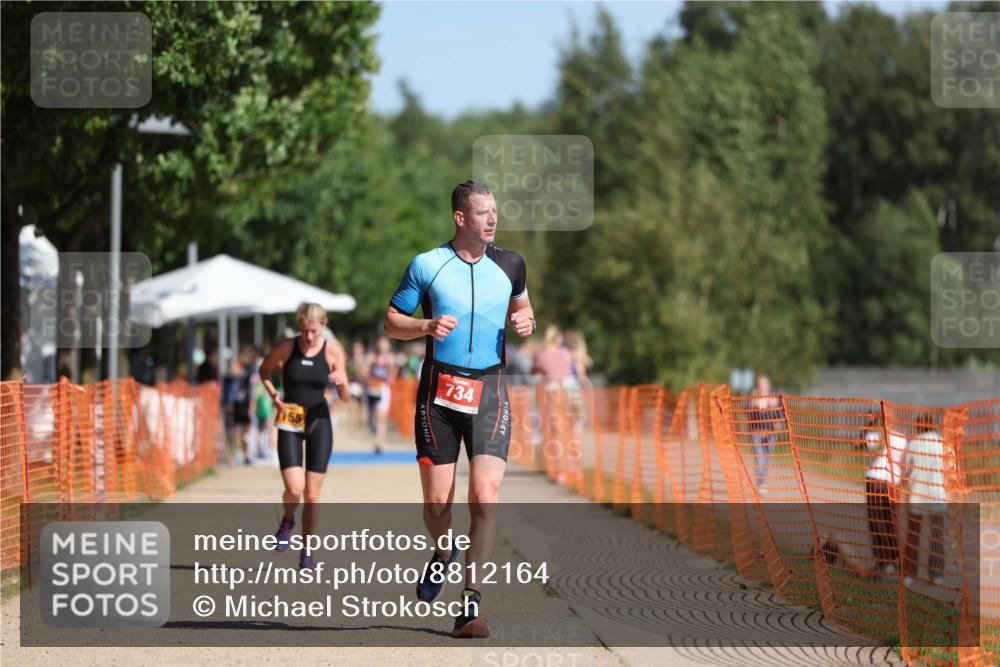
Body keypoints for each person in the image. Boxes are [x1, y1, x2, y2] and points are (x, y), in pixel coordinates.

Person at [384, 179, 535, 638]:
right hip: (439, 396)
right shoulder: (427, 265)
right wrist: (425, 325)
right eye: (484, 212)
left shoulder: (511, 264)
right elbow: (391, 322)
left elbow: (524, 310)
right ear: (460, 217)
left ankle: (470, 605)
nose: (493, 219)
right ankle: (444, 550)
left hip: (489, 390)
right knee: (437, 504)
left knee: (485, 498)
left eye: (496, 211)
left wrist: (527, 321)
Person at [258, 303, 350, 569]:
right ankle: (288, 520)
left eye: (314, 331)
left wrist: (341, 382)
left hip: (319, 421)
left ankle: (307, 551)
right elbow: (263, 370)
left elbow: (345, 398)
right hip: (290, 420)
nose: (309, 337)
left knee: (311, 495)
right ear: (299, 325)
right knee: (294, 488)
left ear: (324, 325)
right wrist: (275, 396)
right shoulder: (287, 347)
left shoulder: (333, 351)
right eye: (305, 331)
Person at [901, 415, 946, 586]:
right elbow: (950, 469)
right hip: (937, 494)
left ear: (919, 426)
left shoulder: (914, 443)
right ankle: (936, 575)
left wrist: (904, 492)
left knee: (913, 536)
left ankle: (909, 575)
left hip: (917, 495)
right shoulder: (941, 442)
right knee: (937, 537)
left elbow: (906, 470)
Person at [861, 417, 906, 575]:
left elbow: (859, 444)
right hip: (894, 483)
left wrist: (867, 425)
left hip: (875, 481)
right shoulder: (901, 439)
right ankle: (895, 560)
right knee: (891, 522)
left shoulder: (873, 436)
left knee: (876, 522)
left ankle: (883, 561)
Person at [748, 375, 783, 491]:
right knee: (760, 459)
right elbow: (745, 409)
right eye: (760, 385)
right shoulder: (754, 397)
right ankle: (761, 483)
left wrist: (777, 421)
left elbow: (780, 414)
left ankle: (762, 481)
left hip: (771, 434)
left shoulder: (774, 398)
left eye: (764, 384)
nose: (762, 387)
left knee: (766, 459)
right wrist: (754, 405)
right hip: (756, 433)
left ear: (768, 385)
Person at [366, 337, 397, 454]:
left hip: (383, 389)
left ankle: (379, 443)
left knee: (381, 417)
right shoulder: (372, 357)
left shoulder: (391, 358)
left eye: (384, 345)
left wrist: (391, 377)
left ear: (388, 346)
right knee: (372, 418)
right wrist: (367, 378)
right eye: (380, 345)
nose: (382, 347)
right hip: (372, 388)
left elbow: (394, 371)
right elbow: (365, 369)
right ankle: (374, 432)